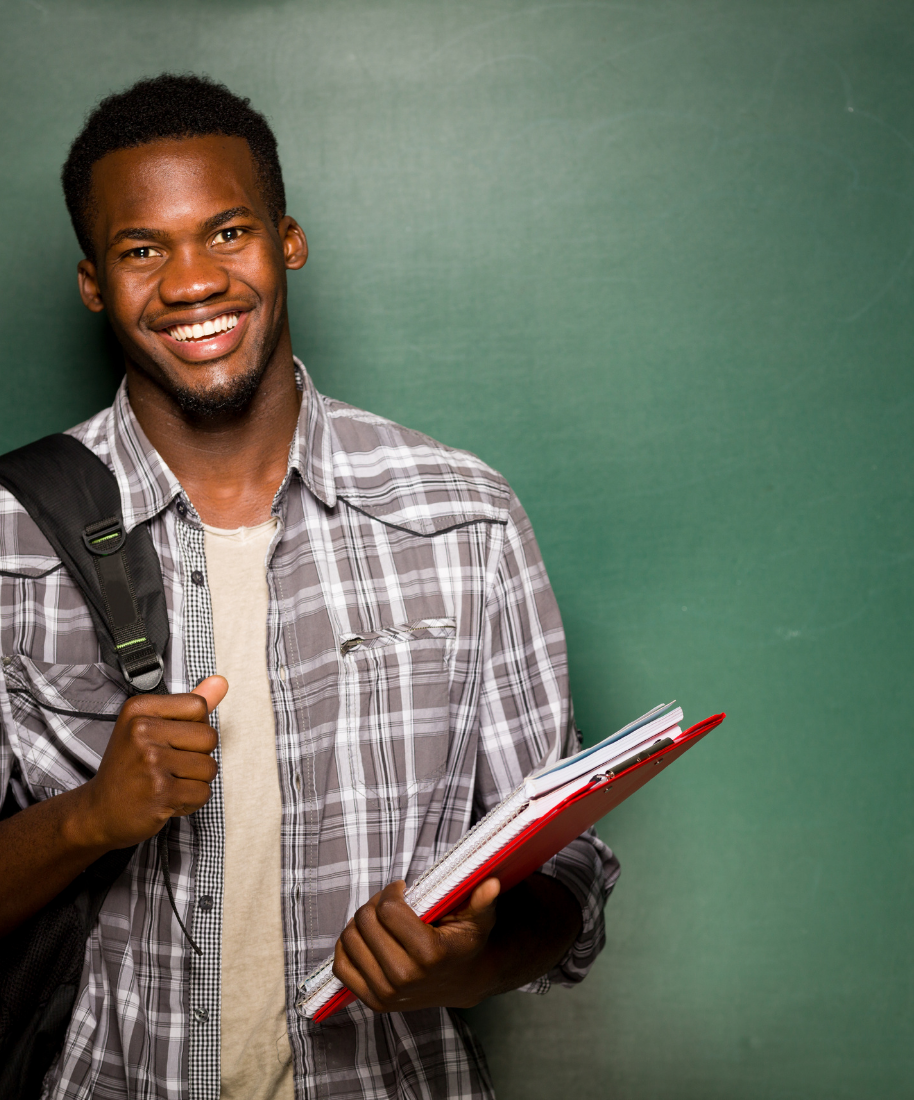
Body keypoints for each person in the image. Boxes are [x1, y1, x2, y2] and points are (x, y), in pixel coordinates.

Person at [0, 74, 618, 1100]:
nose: (192, 280)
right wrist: (89, 817)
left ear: (287, 240)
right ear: (92, 283)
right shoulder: (11, 537)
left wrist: (462, 959)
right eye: (142, 248)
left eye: (227, 232)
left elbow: (568, 881)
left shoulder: (463, 516)